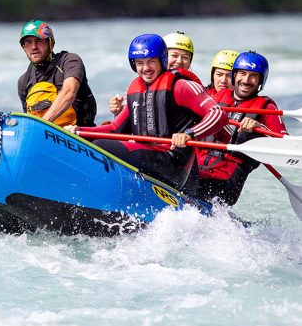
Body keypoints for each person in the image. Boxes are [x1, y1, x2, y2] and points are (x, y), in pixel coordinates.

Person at [65, 34, 228, 190]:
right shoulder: (135, 90)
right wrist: (79, 131)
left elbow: (218, 114)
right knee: (88, 143)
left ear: (162, 61)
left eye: (151, 61)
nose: (146, 68)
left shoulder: (181, 86)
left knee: (100, 146)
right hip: (148, 155)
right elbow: (115, 129)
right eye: (140, 63)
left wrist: (189, 134)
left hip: (172, 161)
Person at [196, 51, 288, 205]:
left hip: (226, 180)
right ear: (235, 76)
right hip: (196, 169)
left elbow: (284, 145)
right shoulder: (217, 96)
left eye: (253, 76)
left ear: (260, 81)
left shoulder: (267, 108)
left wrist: (260, 128)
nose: (246, 80)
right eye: (242, 74)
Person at [17, 19, 97, 126]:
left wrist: (42, 125)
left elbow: (69, 92)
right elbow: (28, 120)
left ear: (51, 44)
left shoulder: (69, 61)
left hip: (79, 135)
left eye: (39, 41)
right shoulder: (24, 81)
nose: (34, 47)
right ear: (23, 47)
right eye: (28, 42)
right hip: (42, 135)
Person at [108, 31, 194, 116]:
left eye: (185, 57)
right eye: (174, 55)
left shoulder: (191, 87)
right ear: (163, 57)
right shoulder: (136, 89)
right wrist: (119, 112)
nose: (179, 61)